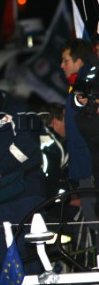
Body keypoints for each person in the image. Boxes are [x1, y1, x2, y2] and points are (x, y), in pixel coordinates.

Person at [0, 81, 45, 276]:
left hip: (25, 192)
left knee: (26, 250)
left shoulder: (20, 112)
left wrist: (1, 169)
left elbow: (27, 145)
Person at [60, 39, 99, 233]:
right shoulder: (74, 89)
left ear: (80, 62)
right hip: (83, 166)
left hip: (91, 163)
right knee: (92, 219)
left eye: (66, 60)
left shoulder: (91, 82)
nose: (62, 65)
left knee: (95, 218)